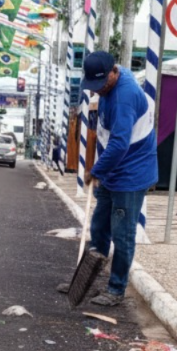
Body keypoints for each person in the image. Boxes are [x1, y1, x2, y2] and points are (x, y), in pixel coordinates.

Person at [59, 51, 157, 307]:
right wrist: (103, 169)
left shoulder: (124, 98)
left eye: (101, 85)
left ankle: (116, 289)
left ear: (113, 72)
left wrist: (97, 170)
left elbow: (120, 144)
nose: (97, 90)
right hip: (113, 170)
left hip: (131, 173)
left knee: (122, 234)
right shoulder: (109, 83)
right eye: (93, 86)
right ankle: (85, 280)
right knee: (100, 227)